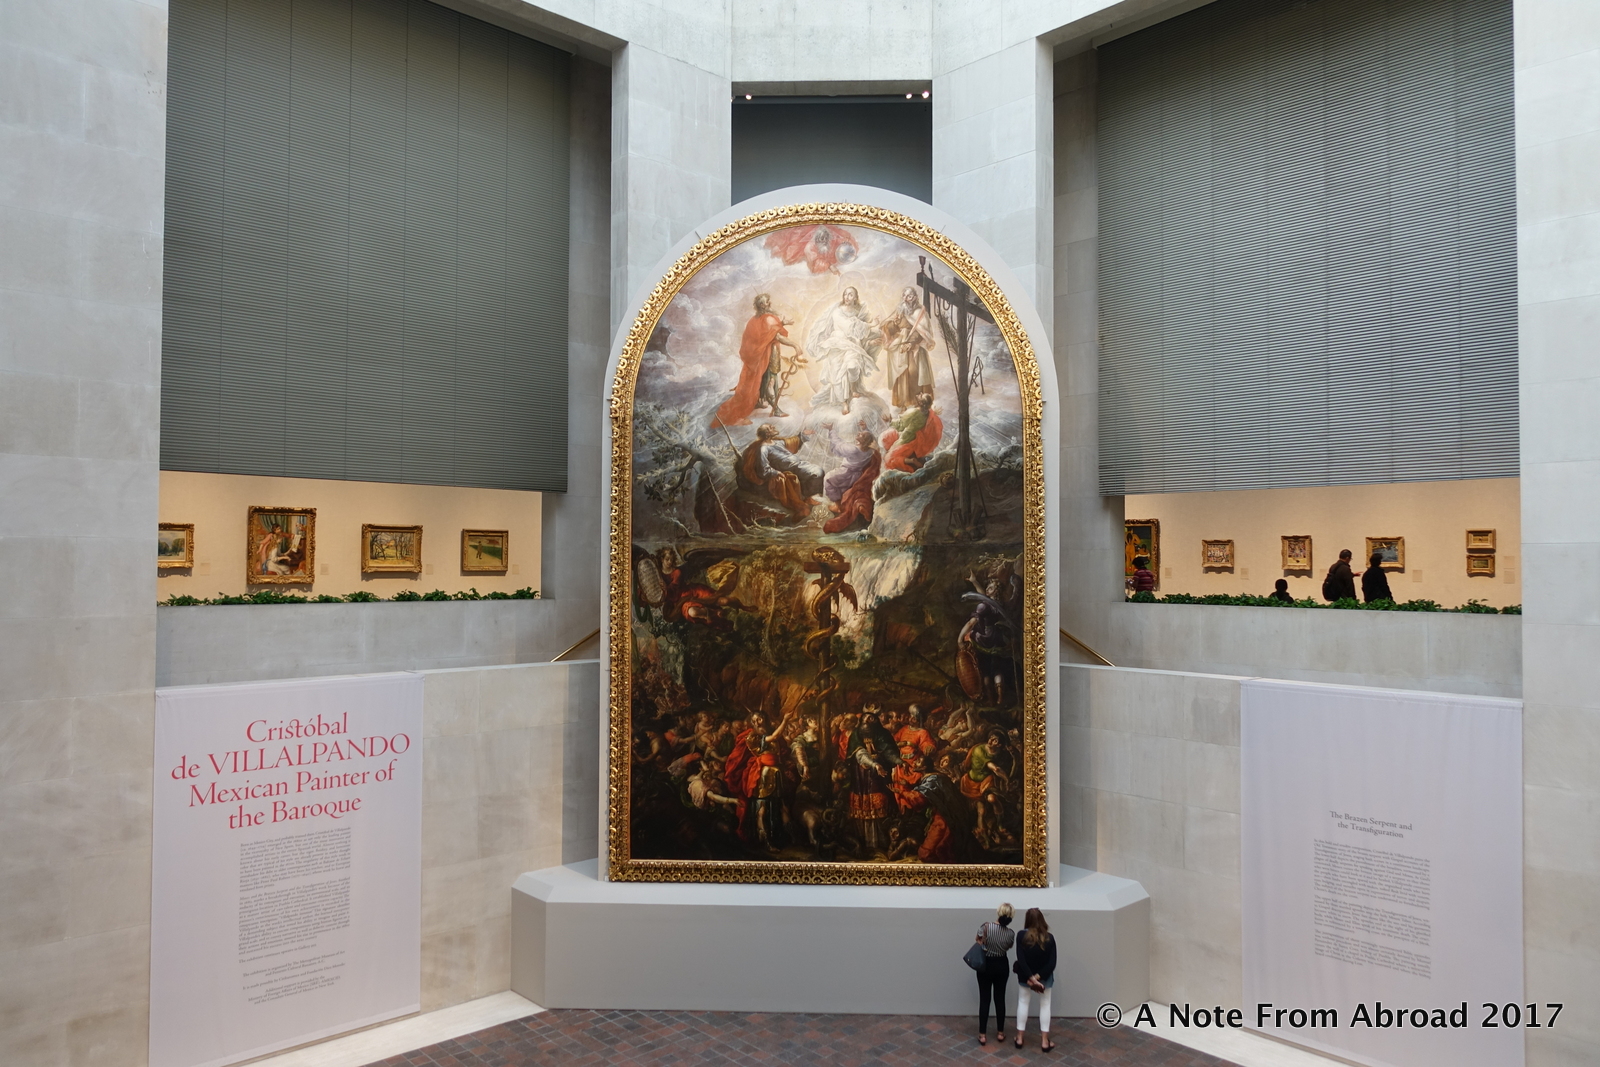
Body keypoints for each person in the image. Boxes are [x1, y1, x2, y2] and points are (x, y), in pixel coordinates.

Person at [713, 294, 803, 428]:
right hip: (768, 356)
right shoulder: (768, 318)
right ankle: (776, 409)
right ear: (762, 305)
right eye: (767, 302)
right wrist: (796, 346)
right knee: (771, 381)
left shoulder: (754, 320)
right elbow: (777, 336)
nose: (770, 303)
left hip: (759, 358)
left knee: (762, 380)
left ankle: (758, 401)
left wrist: (782, 323)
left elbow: (766, 333)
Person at [809, 286, 883, 414]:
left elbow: (860, 334)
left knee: (853, 367)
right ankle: (844, 403)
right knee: (837, 376)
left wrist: (871, 338)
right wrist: (871, 324)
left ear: (855, 297)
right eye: (845, 294)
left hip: (852, 344)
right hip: (837, 344)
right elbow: (849, 326)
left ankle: (853, 388)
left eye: (850, 294)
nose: (847, 297)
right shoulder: (837, 312)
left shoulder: (858, 312)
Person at [736, 423, 824, 520]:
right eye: (770, 427)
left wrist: (803, 434)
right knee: (817, 473)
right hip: (793, 468)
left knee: (819, 471)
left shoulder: (776, 442)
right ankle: (808, 498)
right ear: (767, 434)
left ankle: (811, 496)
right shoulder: (763, 449)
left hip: (800, 465)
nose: (773, 426)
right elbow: (763, 469)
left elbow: (791, 442)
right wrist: (776, 473)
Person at [882, 286, 937, 409]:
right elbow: (893, 329)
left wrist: (911, 343)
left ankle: (919, 403)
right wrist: (894, 323)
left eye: (909, 296)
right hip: (901, 347)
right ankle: (903, 403)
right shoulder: (900, 310)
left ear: (915, 298)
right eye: (904, 296)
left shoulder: (920, 312)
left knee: (914, 372)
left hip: (915, 346)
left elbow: (922, 331)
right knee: (901, 373)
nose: (906, 299)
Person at [821, 426, 881, 535]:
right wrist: (866, 428)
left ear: (863, 441)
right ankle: (848, 506)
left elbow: (839, 445)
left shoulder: (853, 450)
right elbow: (870, 439)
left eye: (861, 435)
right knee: (843, 488)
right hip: (857, 476)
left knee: (828, 479)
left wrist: (831, 430)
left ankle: (838, 506)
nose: (858, 433)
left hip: (846, 473)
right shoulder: (869, 451)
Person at [1013, 907, 1057, 1051]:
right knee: (1045, 1005)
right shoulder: (1050, 938)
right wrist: (1038, 978)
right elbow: (1052, 963)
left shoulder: (1021, 935)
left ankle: (1020, 1037)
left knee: (1023, 1003)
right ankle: (1044, 1041)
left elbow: (1021, 959)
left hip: (1026, 977)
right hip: (1045, 978)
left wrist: (1031, 978)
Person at [974, 903, 1016, 1046]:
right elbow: (1009, 946)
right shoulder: (1011, 933)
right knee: (1000, 999)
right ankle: (1000, 1032)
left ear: (998, 912)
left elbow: (977, 939)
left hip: (986, 965)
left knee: (984, 999)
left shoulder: (986, 927)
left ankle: (982, 1034)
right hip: (1002, 965)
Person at [882, 393, 943, 472]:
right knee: (889, 436)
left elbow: (901, 425)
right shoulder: (928, 412)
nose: (920, 394)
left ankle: (910, 461)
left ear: (920, 402)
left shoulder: (914, 412)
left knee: (888, 459)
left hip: (907, 437)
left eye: (921, 395)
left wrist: (890, 421)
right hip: (916, 437)